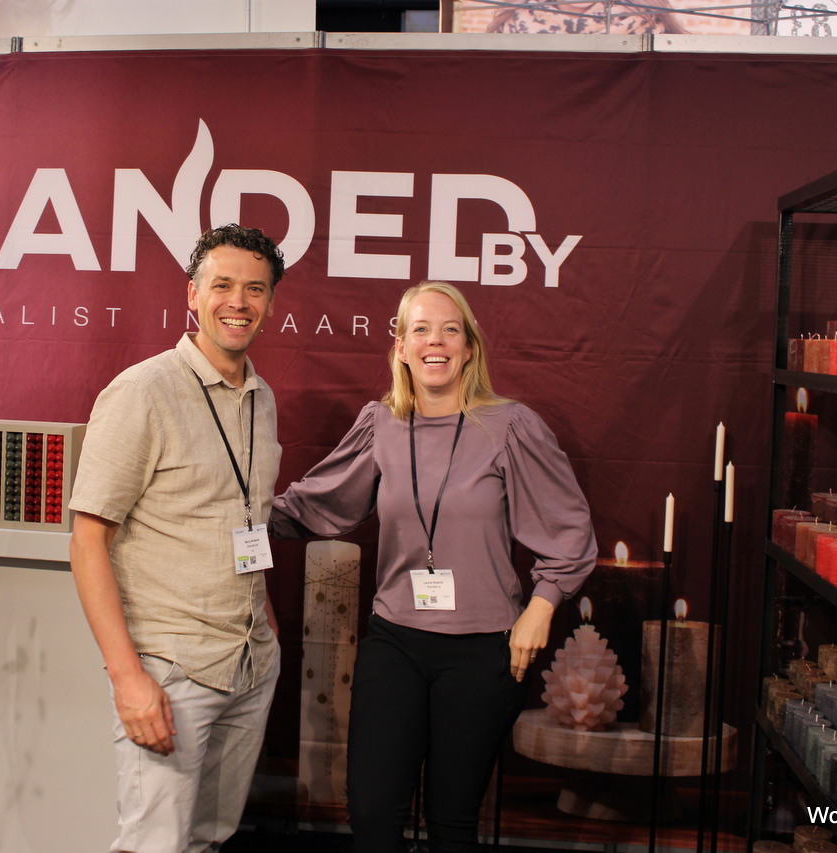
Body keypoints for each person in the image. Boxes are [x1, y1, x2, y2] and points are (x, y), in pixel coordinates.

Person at [270, 281, 597, 853]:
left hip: (484, 650)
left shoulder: (510, 426)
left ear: (469, 348)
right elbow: (317, 505)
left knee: (451, 821)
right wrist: (230, 520)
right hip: (395, 641)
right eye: (420, 329)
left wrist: (542, 606)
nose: (435, 342)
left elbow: (568, 530)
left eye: (450, 330)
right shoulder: (381, 424)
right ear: (400, 347)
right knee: (372, 815)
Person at [68, 224, 285, 853]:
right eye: (222, 285)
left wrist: (264, 622)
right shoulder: (142, 392)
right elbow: (87, 542)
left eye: (255, 289)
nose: (238, 302)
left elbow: (242, 516)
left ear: (271, 303)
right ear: (192, 294)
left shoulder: (262, 398)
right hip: (172, 669)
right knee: (154, 845)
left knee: (208, 841)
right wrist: (127, 678)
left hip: (249, 660)